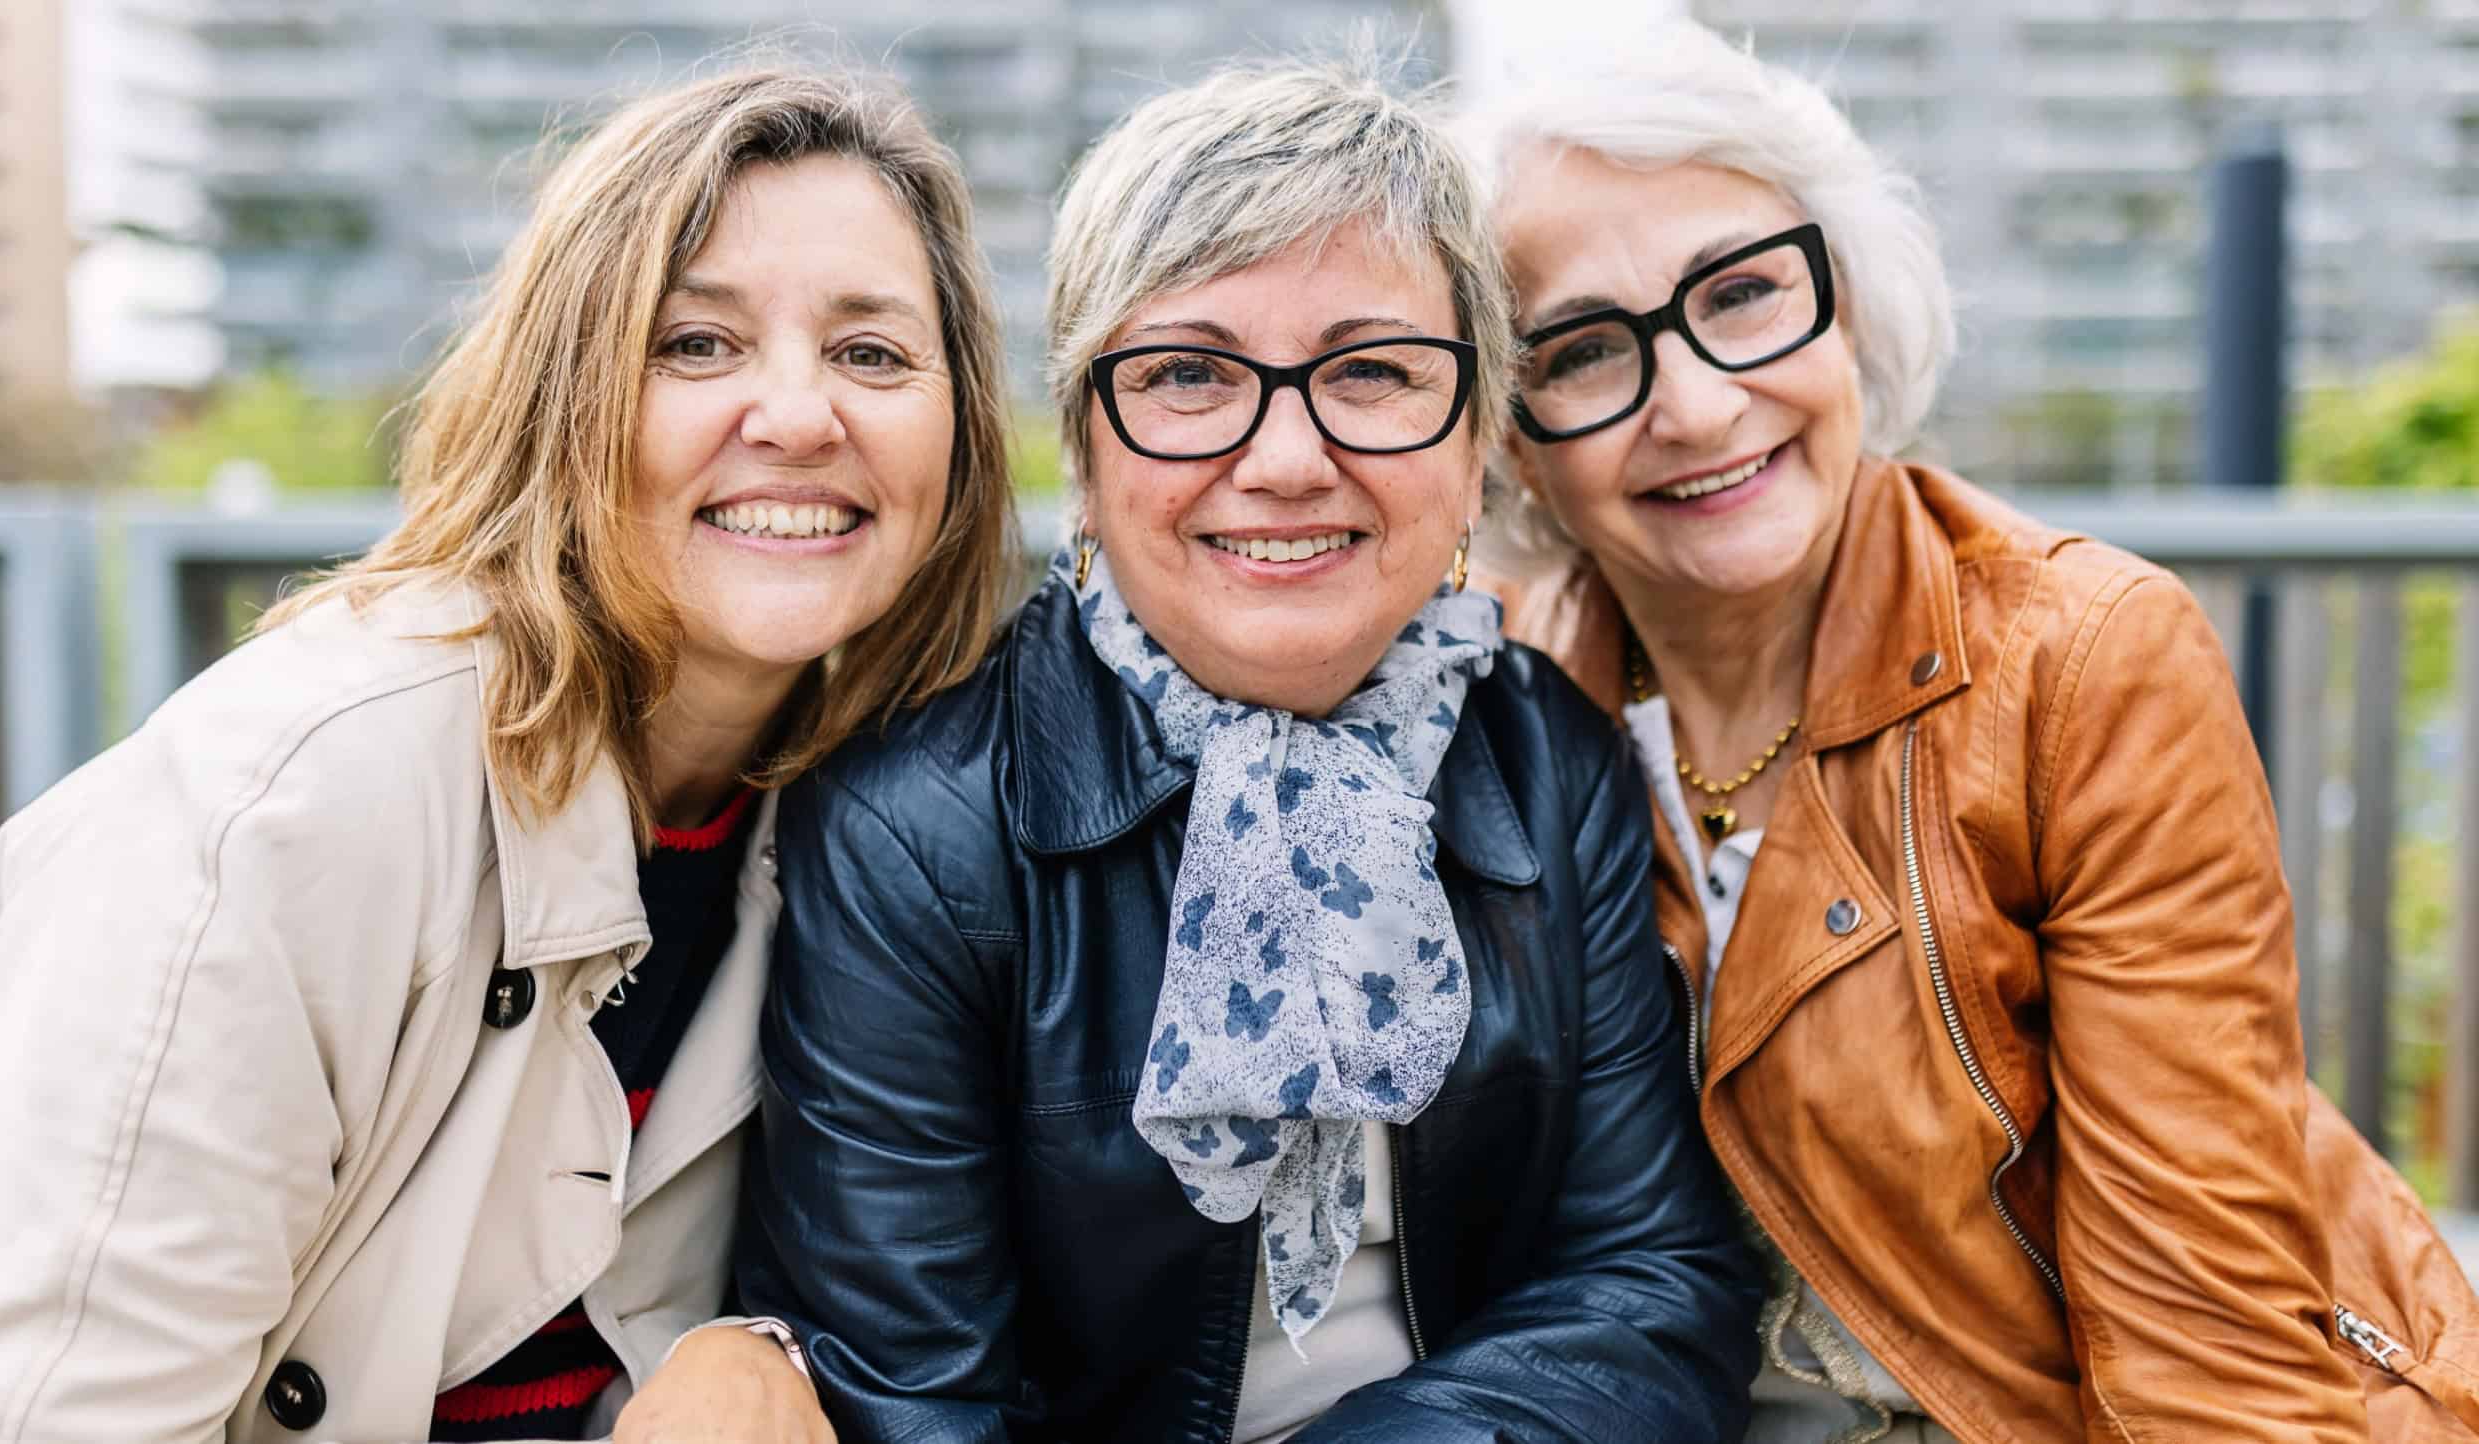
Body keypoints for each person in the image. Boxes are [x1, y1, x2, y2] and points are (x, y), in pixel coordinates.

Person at [649, 52, 1760, 1444]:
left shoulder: (1548, 760)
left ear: (1475, 435)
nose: (1286, 457)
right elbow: (911, 1402)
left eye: (1369, 371)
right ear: (1088, 453)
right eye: (1186, 375)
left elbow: (1650, 1290)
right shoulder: (914, 826)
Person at [0, 58, 1013, 1444]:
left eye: (872, 352)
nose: (800, 416)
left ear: (962, 438)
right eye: (695, 345)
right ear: (563, 398)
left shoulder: (874, 816)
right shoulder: (284, 811)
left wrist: (762, 1348)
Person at [1473, 20, 2479, 1443]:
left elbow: (2204, 1343)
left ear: (1851, 303)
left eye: (1746, 293)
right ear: (1509, 432)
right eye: (1579, 351)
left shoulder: (2080, 666)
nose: (1697, 406)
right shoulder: (1496, 705)